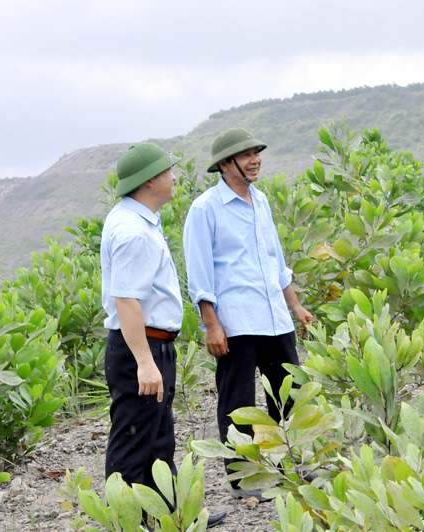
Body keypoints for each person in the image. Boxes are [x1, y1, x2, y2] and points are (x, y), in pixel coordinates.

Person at [100, 142, 226, 528]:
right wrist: (144, 363)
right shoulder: (133, 232)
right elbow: (126, 302)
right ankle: (127, 522)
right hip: (141, 346)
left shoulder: (137, 221)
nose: (174, 177)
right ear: (151, 180)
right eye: (168, 172)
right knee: (133, 438)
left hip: (154, 344)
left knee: (157, 438)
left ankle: (167, 517)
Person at [183, 127, 313, 499]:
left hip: (274, 316)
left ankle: (287, 468)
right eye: (246, 155)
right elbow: (200, 271)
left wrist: (296, 305)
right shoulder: (205, 208)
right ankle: (244, 479)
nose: (255, 160)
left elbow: (276, 259)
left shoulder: (261, 200)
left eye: (257, 153)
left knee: (288, 394)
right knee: (238, 403)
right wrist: (211, 324)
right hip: (236, 321)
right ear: (225, 164)